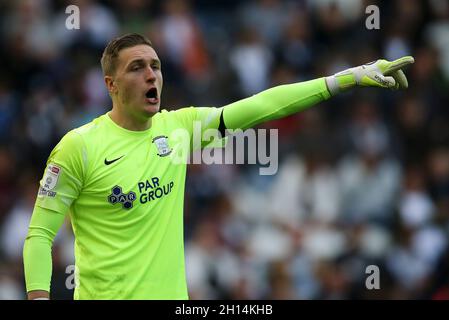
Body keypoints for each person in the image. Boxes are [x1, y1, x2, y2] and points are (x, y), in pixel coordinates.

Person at [23, 33, 414, 300]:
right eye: (136, 67)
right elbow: (40, 235)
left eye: (155, 66)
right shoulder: (79, 147)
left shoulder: (178, 129)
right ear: (110, 84)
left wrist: (344, 79)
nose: (150, 75)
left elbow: (260, 106)